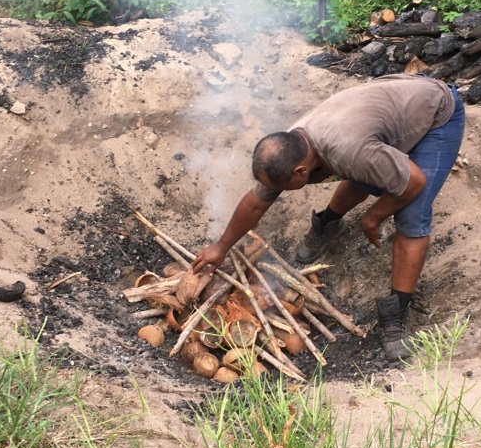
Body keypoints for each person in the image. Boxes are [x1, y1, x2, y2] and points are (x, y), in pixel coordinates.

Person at [191, 72, 465, 361]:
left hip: (436, 112)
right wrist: (220, 247)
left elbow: (414, 183)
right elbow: (257, 202)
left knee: (411, 213)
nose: (276, 192)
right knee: (364, 172)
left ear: (300, 172)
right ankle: (328, 223)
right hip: (385, 109)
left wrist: (372, 218)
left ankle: (396, 315)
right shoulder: (291, 145)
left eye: (283, 187)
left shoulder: (350, 151)